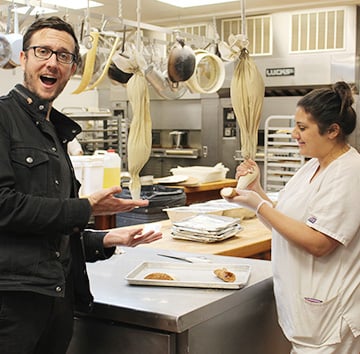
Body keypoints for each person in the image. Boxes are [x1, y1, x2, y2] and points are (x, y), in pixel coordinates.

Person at [0, 16, 162, 354]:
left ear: (73, 68)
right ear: (23, 59)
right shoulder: (4, 119)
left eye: (63, 56)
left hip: (56, 302)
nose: (52, 62)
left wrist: (104, 238)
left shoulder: (54, 132)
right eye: (43, 51)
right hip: (12, 308)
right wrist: (85, 207)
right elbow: (4, 207)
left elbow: (49, 233)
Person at [226, 81, 360, 353]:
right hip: (304, 314)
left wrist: (260, 207)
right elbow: (284, 220)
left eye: (302, 128)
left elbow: (319, 243)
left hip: (330, 317)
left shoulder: (350, 173)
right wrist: (256, 191)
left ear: (333, 131)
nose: (293, 133)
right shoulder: (312, 166)